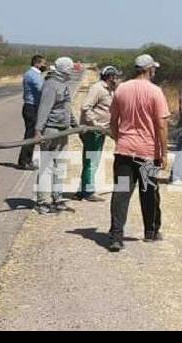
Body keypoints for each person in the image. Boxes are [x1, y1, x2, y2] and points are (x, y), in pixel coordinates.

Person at [107, 54, 170, 252]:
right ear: (149, 69)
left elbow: (113, 121)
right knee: (149, 192)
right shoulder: (155, 92)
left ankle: (116, 236)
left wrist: (120, 140)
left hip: (124, 151)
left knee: (121, 193)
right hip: (147, 153)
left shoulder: (121, 89)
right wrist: (164, 152)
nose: (155, 72)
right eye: (154, 69)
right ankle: (150, 232)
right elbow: (161, 124)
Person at [34, 57, 78, 215]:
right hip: (50, 130)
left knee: (60, 166)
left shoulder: (63, 85)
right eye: (70, 69)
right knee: (46, 167)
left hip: (63, 130)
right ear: (64, 70)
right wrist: (38, 131)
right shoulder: (51, 85)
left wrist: (75, 125)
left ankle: (57, 198)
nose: (72, 72)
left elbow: (66, 108)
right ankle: (43, 202)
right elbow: (44, 109)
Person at [76, 65, 121, 202]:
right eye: (116, 76)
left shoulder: (111, 90)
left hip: (101, 131)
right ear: (110, 77)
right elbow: (85, 107)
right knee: (91, 161)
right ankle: (88, 191)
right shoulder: (97, 88)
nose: (117, 79)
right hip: (93, 131)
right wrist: (95, 124)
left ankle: (82, 189)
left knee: (91, 161)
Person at [17, 54, 46, 170]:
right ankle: (24, 161)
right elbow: (41, 88)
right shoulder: (33, 75)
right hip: (31, 107)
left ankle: (27, 160)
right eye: (43, 63)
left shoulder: (35, 74)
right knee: (30, 135)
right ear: (37, 63)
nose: (45, 65)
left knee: (32, 135)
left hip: (33, 107)